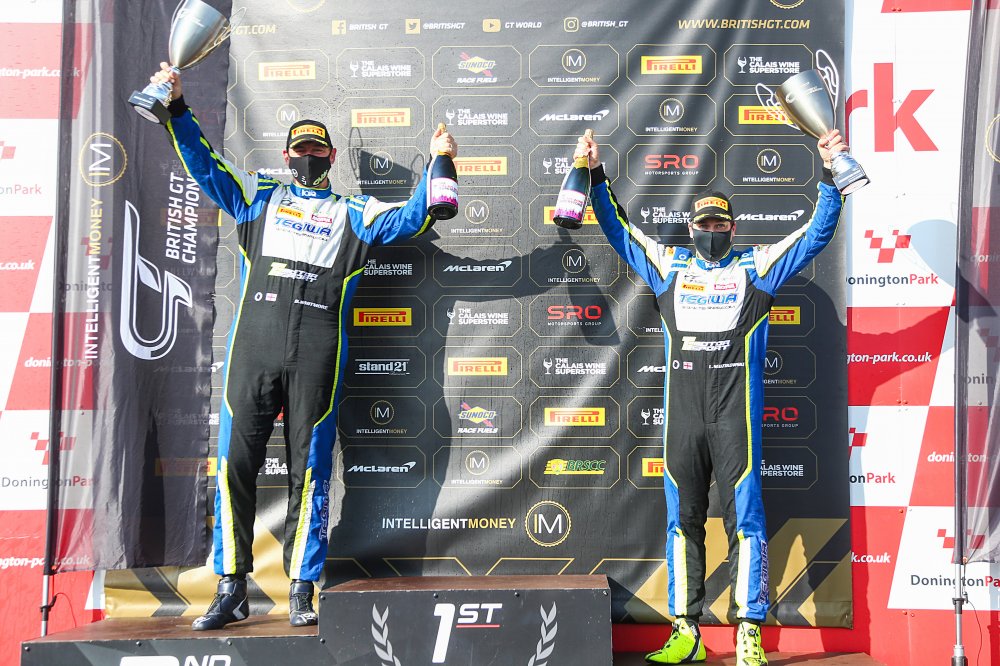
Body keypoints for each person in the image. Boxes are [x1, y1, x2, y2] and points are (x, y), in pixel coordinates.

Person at [148, 63, 457, 630]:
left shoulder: (355, 213)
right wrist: (178, 110)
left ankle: (300, 588)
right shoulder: (257, 196)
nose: (308, 157)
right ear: (287, 156)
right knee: (235, 467)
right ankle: (230, 586)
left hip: (317, 357)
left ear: (331, 157)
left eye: (317, 150)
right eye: (300, 150)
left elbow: (413, 219)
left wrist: (440, 161)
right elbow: (205, 165)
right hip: (253, 353)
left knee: (309, 473)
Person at [576, 130, 845, 665]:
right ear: (692, 228)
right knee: (683, 522)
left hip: (734, 417)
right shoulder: (669, 266)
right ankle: (686, 630)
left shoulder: (756, 267)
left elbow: (816, 232)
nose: (713, 232)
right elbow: (618, 229)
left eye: (721, 224)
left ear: (733, 228)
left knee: (746, 520)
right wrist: (595, 174)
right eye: (705, 224)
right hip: (684, 420)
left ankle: (749, 632)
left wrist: (829, 173)